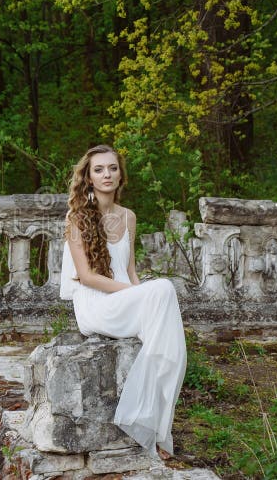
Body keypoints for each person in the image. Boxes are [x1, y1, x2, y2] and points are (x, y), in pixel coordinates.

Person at [59, 144, 187, 458]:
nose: (107, 175)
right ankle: (149, 427)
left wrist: (141, 300)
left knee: (164, 336)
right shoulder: (76, 218)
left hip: (123, 298)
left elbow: (130, 271)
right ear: (88, 177)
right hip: (95, 305)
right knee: (165, 289)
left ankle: (159, 429)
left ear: (121, 175)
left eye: (113, 168)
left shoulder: (128, 217)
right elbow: (87, 278)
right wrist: (137, 296)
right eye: (99, 169)